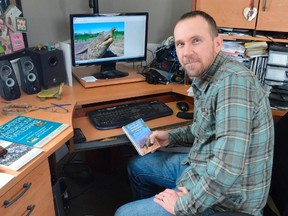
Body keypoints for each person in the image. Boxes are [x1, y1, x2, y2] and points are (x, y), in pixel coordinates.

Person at [115, 10, 274, 216]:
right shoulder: (206, 74)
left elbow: (227, 169)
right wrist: (170, 137)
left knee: (124, 214)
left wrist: (181, 206)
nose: (186, 52)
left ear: (218, 43)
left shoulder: (233, 83)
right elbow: (205, 129)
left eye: (196, 40)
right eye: (180, 44)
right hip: (202, 168)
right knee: (138, 165)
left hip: (229, 200)